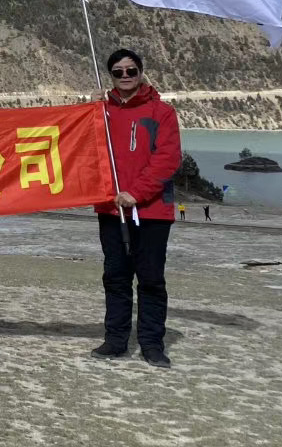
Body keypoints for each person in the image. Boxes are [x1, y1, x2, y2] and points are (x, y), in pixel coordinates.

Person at [93, 48, 182, 369]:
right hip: (110, 209)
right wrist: (88, 111)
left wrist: (137, 192)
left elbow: (167, 159)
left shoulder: (163, 112)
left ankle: (151, 344)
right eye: (118, 72)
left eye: (131, 70)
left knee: (151, 280)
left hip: (152, 211)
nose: (125, 76)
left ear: (141, 72)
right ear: (111, 76)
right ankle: (115, 340)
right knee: (115, 277)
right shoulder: (100, 112)